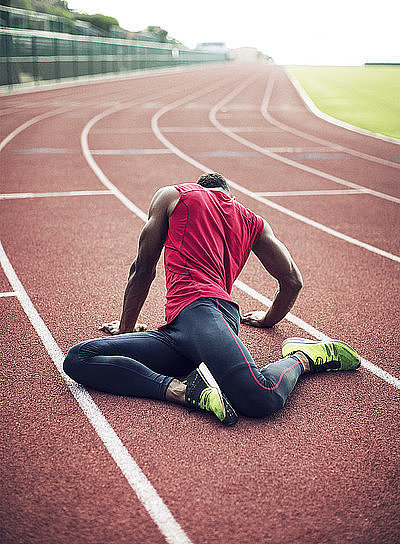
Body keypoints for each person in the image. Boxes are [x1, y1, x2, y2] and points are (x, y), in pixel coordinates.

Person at [63, 172, 361, 426]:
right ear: (227, 194)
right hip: (180, 331)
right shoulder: (252, 221)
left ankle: (303, 358)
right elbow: (292, 281)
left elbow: (142, 270)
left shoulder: (173, 196)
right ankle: (184, 391)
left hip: (206, 315)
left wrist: (125, 329)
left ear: (201, 187)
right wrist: (268, 318)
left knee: (260, 398)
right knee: (77, 358)